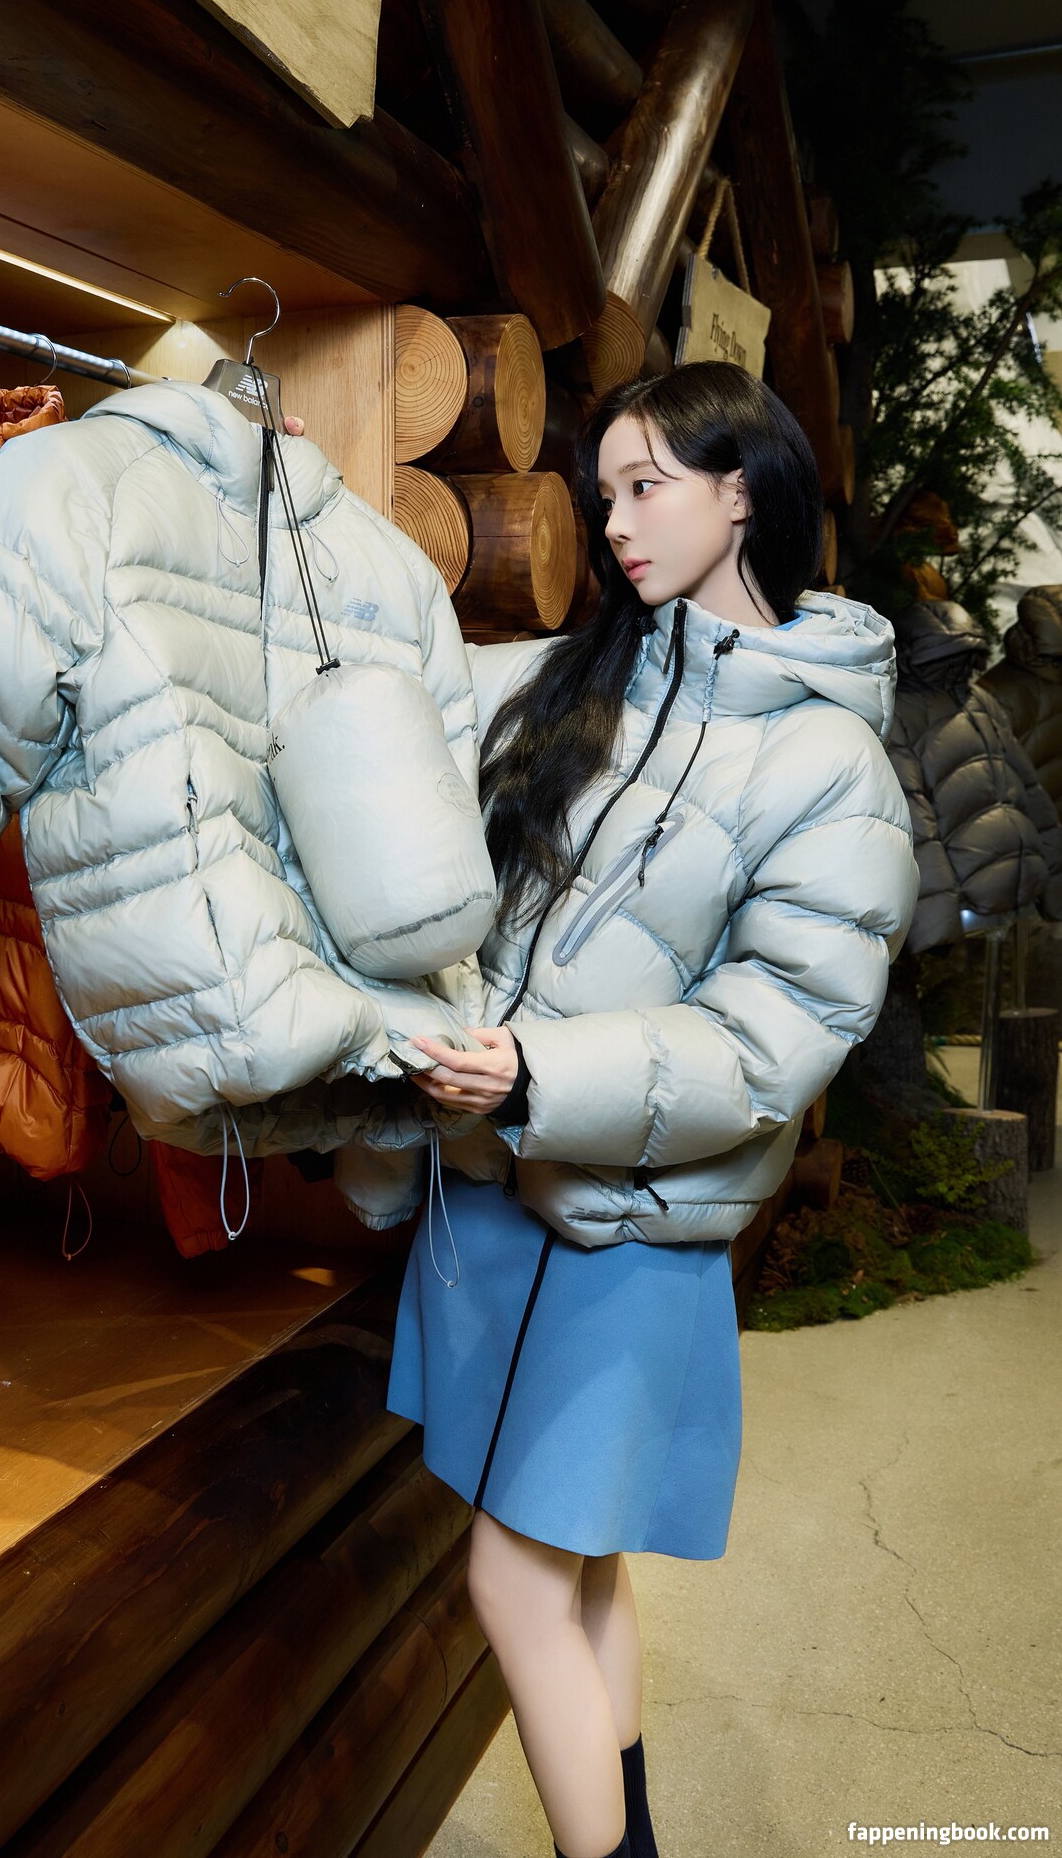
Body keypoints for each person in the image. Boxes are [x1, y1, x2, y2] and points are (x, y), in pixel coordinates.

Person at [383, 361, 919, 1858]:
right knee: (582, 1566)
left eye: (645, 488)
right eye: (604, 490)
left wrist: (541, 1076)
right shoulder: (588, 682)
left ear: (740, 493)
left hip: (628, 1228)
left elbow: (774, 1038)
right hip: (501, 1201)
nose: (612, 523)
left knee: (514, 1581)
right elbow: (398, 685)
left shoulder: (829, 762)